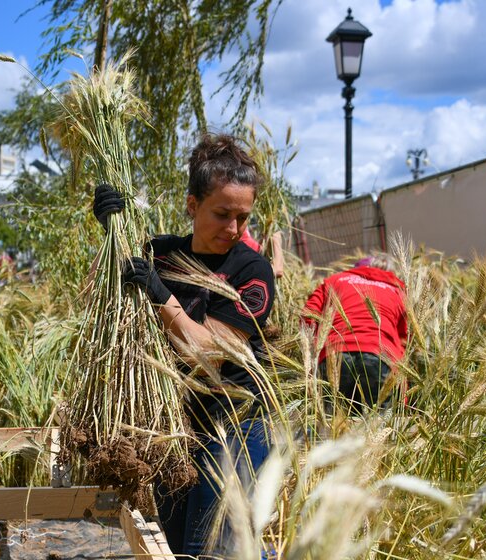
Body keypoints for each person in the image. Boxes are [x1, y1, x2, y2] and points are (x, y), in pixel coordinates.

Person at [93, 133, 275, 557]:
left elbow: (207, 351)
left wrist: (159, 292)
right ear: (192, 205)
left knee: (209, 548)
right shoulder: (160, 252)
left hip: (237, 425)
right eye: (222, 214)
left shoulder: (252, 270)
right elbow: (95, 299)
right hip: (177, 426)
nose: (234, 229)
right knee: (174, 546)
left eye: (243, 217)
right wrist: (111, 236)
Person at [301, 254, 408, 412]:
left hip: (334, 355)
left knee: (331, 430)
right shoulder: (399, 292)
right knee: (378, 428)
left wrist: (314, 352)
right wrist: (403, 391)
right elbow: (404, 341)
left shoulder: (335, 280)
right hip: (380, 359)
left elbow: (307, 317)